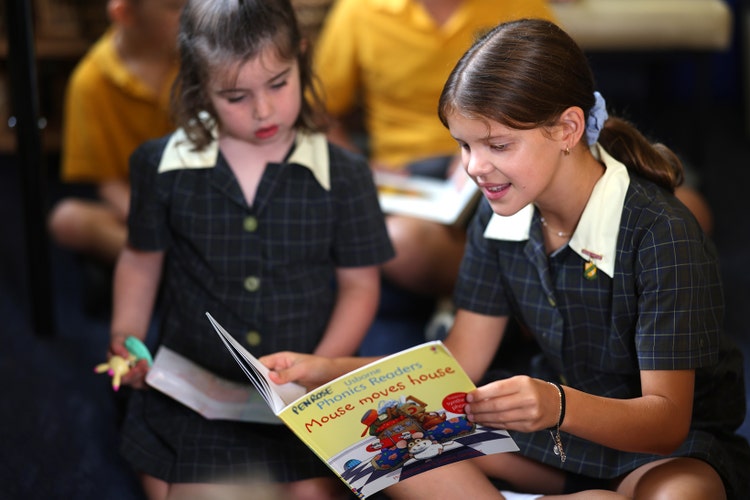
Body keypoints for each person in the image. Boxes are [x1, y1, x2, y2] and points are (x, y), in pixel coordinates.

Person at [261, 18, 750, 499]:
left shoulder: (660, 233)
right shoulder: (499, 218)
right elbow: (457, 363)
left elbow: (665, 422)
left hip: (659, 449)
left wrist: (557, 405)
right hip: (556, 442)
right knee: (388, 444)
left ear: (567, 128)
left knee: (679, 495)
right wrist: (324, 371)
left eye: (497, 145)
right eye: (464, 146)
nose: (474, 167)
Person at [108, 0, 394, 498]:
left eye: (279, 84)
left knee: (309, 493)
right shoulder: (158, 166)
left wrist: (321, 371)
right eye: (236, 95)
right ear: (199, 85)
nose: (263, 110)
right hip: (196, 388)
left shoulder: (346, 175)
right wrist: (126, 333)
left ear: (301, 59)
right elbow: (139, 261)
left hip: (307, 387)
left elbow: (359, 286)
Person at [313, 0, 557, 354]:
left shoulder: (522, 5)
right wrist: (359, 165)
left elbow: (557, 96)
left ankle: (484, 312)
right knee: (400, 242)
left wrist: (485, 150)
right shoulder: (359, 11)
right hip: (408, 176)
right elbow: (318, 113)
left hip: (502, 158)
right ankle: (515, 307)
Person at [48, 0, 183, 266]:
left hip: (198, 198)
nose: (194, 13)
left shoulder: (200, 58)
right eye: (176, 7)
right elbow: (109, 184)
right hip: (135, 206)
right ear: (124, 13)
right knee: (66, 219)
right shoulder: (90, 82)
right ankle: (163, 264)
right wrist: (153, 220)